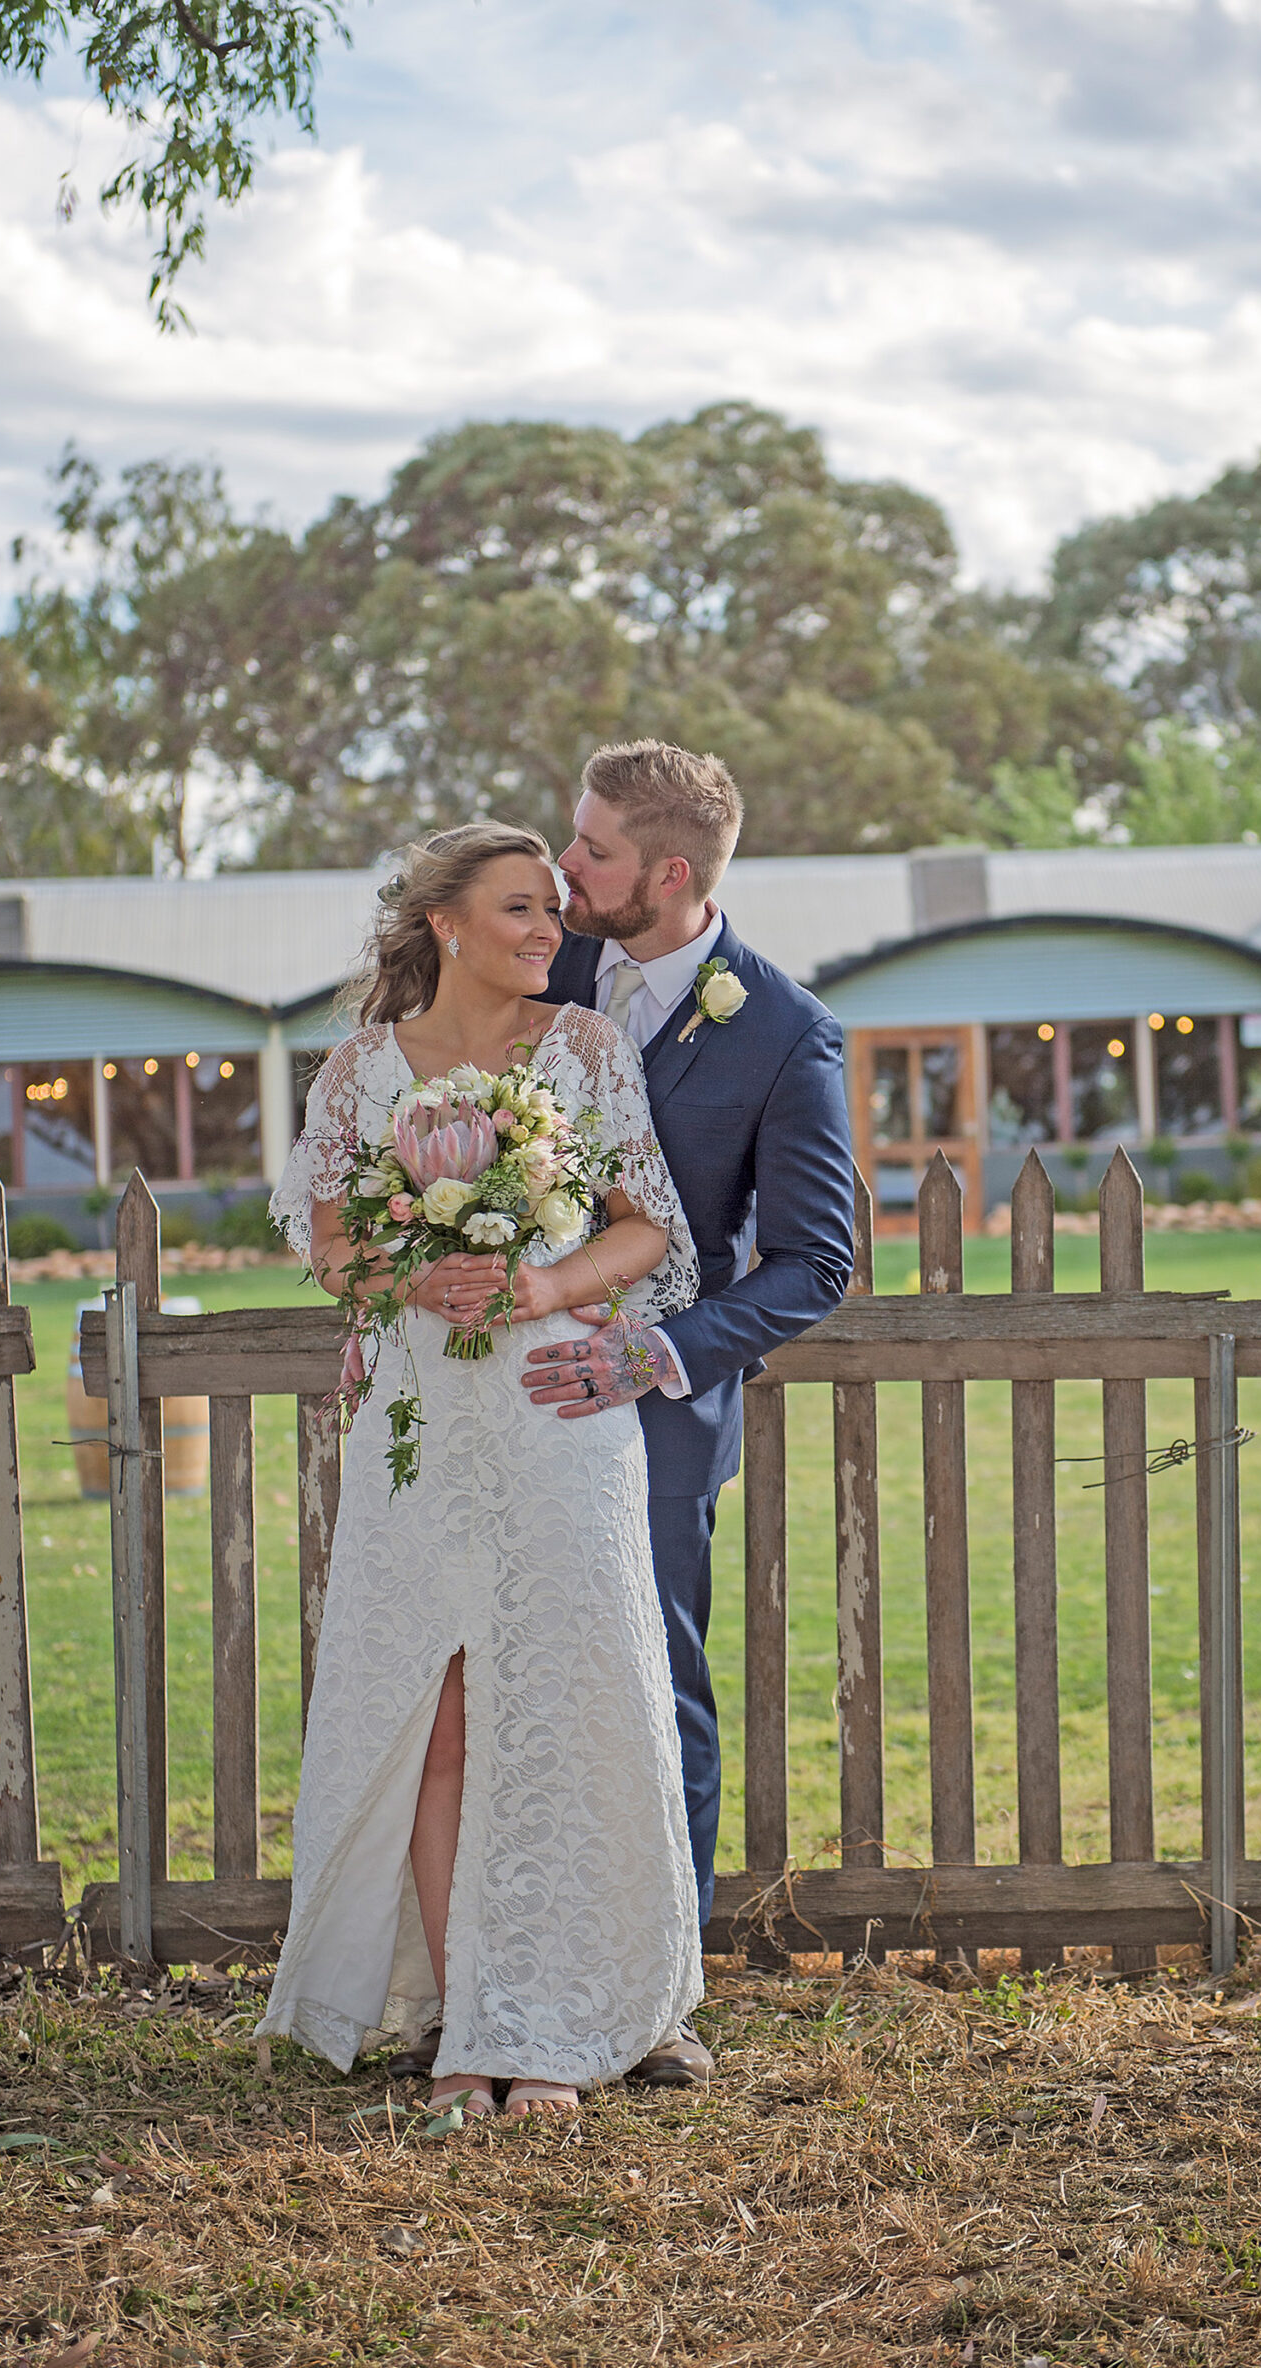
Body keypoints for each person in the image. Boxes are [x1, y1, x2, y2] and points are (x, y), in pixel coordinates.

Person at [257, 822, 703, 2121]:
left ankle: (554, 2031)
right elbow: (331, 1243)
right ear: (445, 923)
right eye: (519, 907)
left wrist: (540, 1281)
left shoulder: (584, 1051)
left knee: (564, 1697)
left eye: (555, 909)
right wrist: (412, 1271)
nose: (547, 928)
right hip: (420, 1420)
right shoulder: (356, 1074)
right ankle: (469, 2025)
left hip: (556, 1410)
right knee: (439, 1710)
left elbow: (647, 1230)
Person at [523, 741, 855, 2086]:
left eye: (593, 849)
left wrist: (655, 1353)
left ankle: (662, 1991)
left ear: (669, 873)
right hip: (511, 1387)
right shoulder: (532, 966)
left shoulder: (784, 1032)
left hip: (655, 1416)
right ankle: (516, 1962)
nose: (566, 867)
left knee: (656, 1688)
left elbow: (813, 1261)